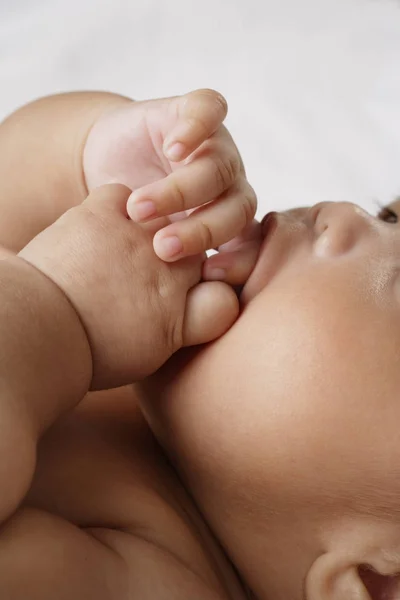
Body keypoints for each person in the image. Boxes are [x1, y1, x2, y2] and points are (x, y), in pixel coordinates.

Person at [0, 88, 399, 600]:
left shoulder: (156, 578)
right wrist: (90, 162)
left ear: (378, 583)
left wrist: (58, 309)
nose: (340, 212)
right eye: (387, 215)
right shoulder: (150, 390)